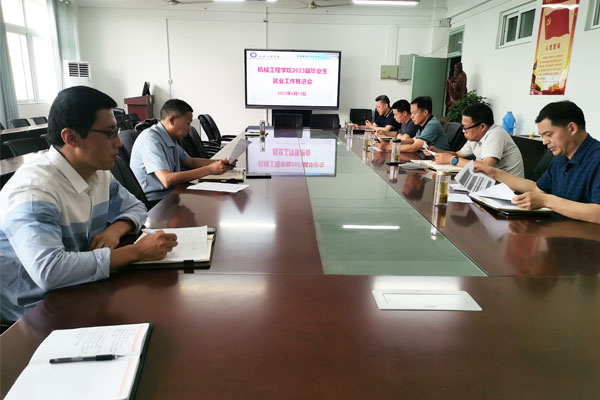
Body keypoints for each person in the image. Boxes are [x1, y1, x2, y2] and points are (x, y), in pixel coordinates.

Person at [0, 86, 178, 321]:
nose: (119, 143)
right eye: (109, 133)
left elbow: (136, 207)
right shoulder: (34, 192)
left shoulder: (97, 173)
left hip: (81, 288)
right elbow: (49, 271)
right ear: (71, 137)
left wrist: (116, 229)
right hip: (36, 312)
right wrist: (137, 251)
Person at [475, 101, 600, 224]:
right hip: (555, 229)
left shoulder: (596, 158)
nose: (544, 142)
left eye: (548, 134)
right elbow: (537, 188)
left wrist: (547, 201)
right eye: (542, 136)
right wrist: (494, 173)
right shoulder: (562, 157)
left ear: (572, 128)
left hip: (582, 235)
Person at [130, 99, 233, 201]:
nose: (189, 129)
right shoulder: (151, 139)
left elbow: (190, 162)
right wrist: (209, 169)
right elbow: (167, 179)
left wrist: (220, 163)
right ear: (172, 120)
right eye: (187, 123)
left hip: (172, 192)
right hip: (155, 201)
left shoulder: (170, 137)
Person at [430, 103, 525, 177]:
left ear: (482, 127)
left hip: (510, 190)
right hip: (491, 184)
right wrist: (437, 151)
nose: (463, 131)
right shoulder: (476, 137)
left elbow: (485, 167)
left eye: (466, 127)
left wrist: (452, 160)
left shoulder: (496, 134)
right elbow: (457, 154)